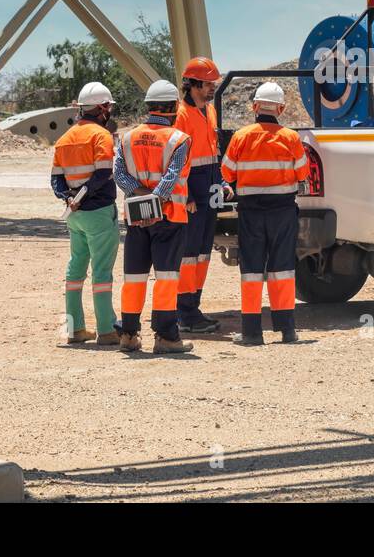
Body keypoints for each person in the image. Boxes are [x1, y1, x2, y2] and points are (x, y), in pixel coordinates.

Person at [220, 81, 310, 346]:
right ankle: (287, 330)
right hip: (283, 211)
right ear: (280, 109)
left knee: (251, 271)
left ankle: (251, 333)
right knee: (283, 269)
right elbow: (303, 173)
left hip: (251, 213)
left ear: (255, 106)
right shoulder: (291, 138)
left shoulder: (241, 136)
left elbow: (227, 173)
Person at [112, 80, 195, 354]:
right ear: (173, 107)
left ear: (148, 107)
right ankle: (166, 337)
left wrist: (141, 200)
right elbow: (171, 178)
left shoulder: (126, 138)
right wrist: (154, 205)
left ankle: (128, 335)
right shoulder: (179, 139)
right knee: (167, 277)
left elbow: (120, 175)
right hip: (169, 218)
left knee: (134, 277)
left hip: (136, 219)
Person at [51, 82, 119, 344]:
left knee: (76, 268)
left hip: (74, 215)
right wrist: (85, 193)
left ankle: (76, 328)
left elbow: (56, 181)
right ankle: (106, 330)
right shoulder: (101, 136)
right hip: (99, 212)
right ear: (102, 108)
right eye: (108, 107)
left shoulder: (64, 139)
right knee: (102, 272)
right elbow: (103, 173)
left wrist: (70, 197)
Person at [173, 57, 224, 333]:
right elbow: (178, 159)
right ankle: (184, 311)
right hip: (193, 188)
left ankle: (194, 306)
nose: (212, 88)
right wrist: (187, 195)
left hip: (211, 185)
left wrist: (222, 182)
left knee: (203, 252)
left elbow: (212, 152)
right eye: (207, 84)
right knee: (189, 253)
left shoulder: (210, 111)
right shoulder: (181, 115)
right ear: (192, 85)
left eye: (213, 83)